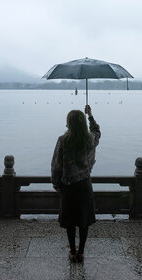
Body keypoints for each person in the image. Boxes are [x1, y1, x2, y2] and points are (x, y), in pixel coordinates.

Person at [51, 105, 101, 263]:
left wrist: (56, 184)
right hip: (85, 185)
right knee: (83, 220)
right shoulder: (89, 139)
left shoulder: (63, 140)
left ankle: (73, 252)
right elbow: (97, 133)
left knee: (71, 222)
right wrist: (90, 116)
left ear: (69, 123)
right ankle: (82, 252)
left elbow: (56, 165)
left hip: (69, 186)